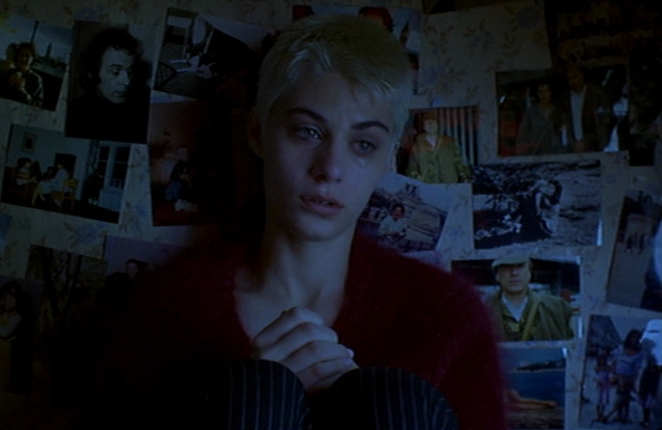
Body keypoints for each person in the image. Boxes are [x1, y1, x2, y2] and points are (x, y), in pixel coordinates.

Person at [96, 14, 505, 430]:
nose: (330, 169)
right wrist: (250, 404)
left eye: (363, 144)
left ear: (388, 158)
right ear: (257, 132)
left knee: (395, 405)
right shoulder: (167, 308)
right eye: (308, 132)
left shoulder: (445, 317)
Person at [65, 27, 151, 143]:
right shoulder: (75, 114)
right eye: (115, 72)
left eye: (130, 71)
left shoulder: (146, 100)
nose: (127, 82)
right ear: (92, 72)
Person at [484, 256, 573, 342]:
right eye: (506, 267)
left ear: (529, 271)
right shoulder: (482, 310)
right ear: (497, 275)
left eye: (520, 266)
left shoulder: (557, 307)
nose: (514, 273)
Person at [406, 111, 472, 183]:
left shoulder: (449, 143)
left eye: (433, 122)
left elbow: (459, 162)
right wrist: (420, 181)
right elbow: (412, 168)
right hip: (428, 186)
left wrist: (465, 177)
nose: (431, 125)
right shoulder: (417, 147)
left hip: (449, 185)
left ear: (437, 124)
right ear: (423, 126)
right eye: (427, 122)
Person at [562, 64, 613, 153]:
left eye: (575, 77)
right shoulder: (564, 98)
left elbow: (604, 122)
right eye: (569, 79)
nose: (573, 81)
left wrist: (586, 141)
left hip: (595, 146)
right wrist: (572, 143)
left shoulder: (597, 95)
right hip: (571, 148)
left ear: (582, 75)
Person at [514, 82, 569, 155]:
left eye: (546, 91)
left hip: (556, 153)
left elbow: (565, 132)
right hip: (535, 153)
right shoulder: (531, 113)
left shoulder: (558, 111)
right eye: (540, 92)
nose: (543, 95)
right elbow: (523, 134)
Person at [0, 42, 44, 108]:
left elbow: (37, 105)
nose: (23, 58)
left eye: (27, 56)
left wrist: (22, 91)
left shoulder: (35, 79)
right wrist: (8, 85)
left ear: (32, 58)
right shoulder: (9, 73)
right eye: (21, 55)